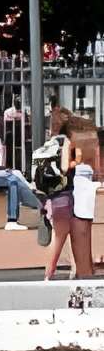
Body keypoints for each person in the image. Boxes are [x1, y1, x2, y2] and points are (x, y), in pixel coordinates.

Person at [35, 105, 77, 281]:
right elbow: (65, 167)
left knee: (72, 234)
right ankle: (48, 274)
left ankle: (76, 270)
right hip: (64, 196)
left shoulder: (50, 143)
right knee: (58, 238)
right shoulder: (67, 141)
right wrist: (78, 162)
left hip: (52, 196)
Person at [70, 119, 100, 283]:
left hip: (75, 189)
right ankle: (87, 270)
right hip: (86, 188)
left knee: (79, 232)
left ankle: (83, 271)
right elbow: (97, 169)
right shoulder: (93, 139)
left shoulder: (73, 140)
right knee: (84, 231)